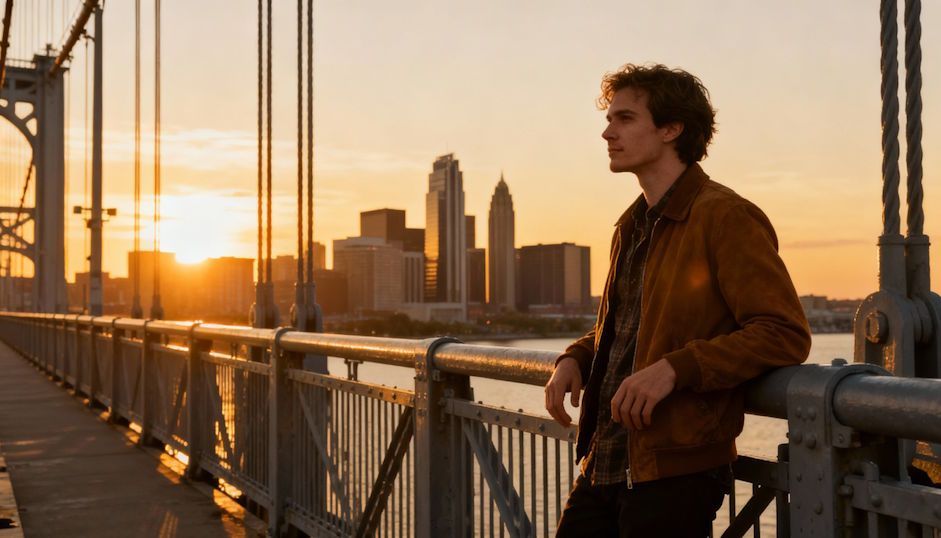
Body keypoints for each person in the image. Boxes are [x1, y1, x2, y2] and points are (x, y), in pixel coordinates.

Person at [545, 63, 811, 537]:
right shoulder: (633, 224)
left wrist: (675, 369)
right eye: (609, 119)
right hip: (605, 457)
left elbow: (783, 332)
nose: (607, 132)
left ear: (672, 129)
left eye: (624, 119)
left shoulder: (725, 217)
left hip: (674, 469)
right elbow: (632, 325)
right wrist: (577, 356)